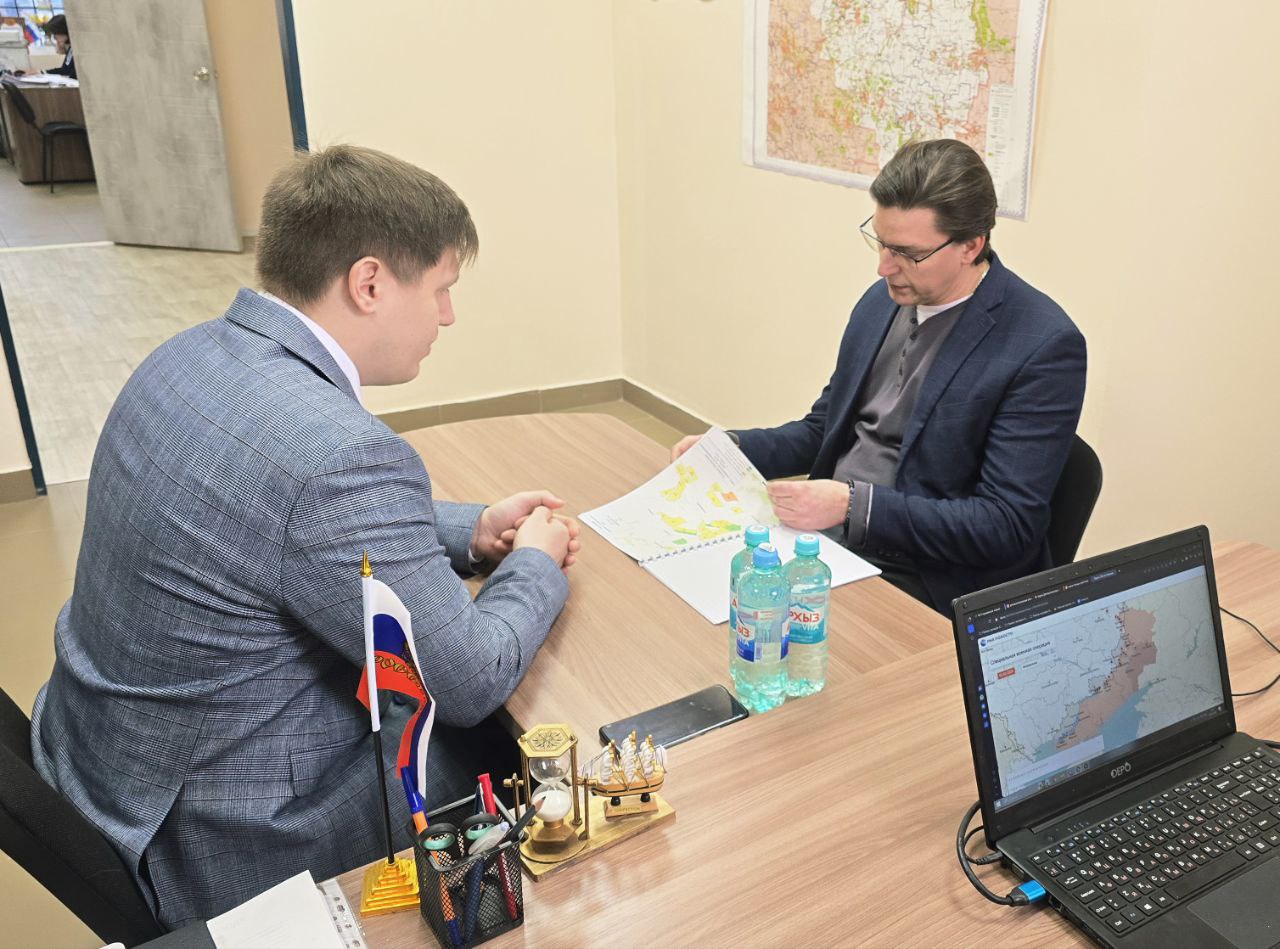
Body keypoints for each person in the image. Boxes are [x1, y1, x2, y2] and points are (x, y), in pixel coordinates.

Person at [31, 145, 580, 928]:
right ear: (369, 283)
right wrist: (533, 562)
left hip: (107, 768)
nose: (448, 316)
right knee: (508, 750)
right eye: (441, 289)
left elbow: (282, 516)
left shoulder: (184, 359)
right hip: (224, 835)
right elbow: (469, 677)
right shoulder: (337, 454)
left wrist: (474, 530)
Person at [673, 139, 1086, 614]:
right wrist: (730, 449)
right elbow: (823, 430)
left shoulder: (1042, 345)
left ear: (971, 245)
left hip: (927, 574)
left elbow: (1005, 525)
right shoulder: (882, 302)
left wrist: (853, 506)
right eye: (883, 242)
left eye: (909, 253)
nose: (884, 267)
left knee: (758, 628)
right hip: (830, 541)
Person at [40, 14, 74, 79]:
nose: (55, 37)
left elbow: (71, 72)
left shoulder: (76, 49)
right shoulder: (71, 49)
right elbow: (65, 69)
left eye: (56, 33)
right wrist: (42, 71)